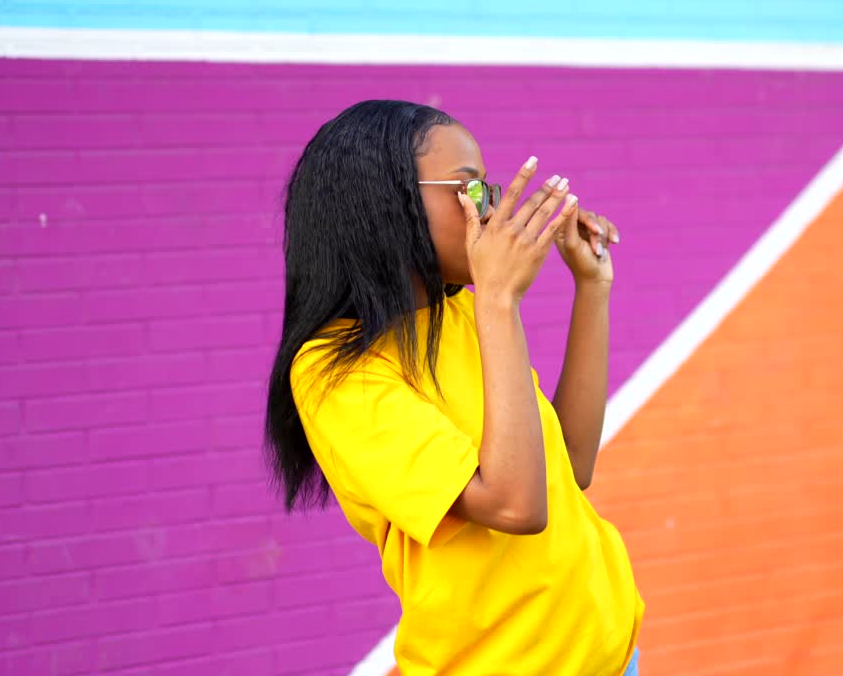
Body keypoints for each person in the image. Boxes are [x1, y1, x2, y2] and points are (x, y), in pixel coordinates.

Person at [264, 100, 644, 675]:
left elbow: (571, 464)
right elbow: (515, 505)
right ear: (384, 204)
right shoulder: (334, 371)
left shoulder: (461, 315)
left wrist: (591, 287)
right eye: (470, 191)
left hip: (612, 656)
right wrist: (499, 297)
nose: (493, 211)